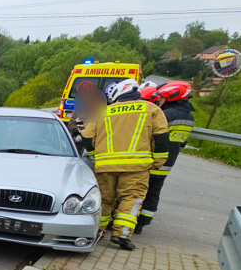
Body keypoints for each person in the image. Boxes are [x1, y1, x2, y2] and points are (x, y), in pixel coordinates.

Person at [81, 79, 170, 250]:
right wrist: (158, 161)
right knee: (131, 198)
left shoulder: (104, 111)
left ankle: (97, 230)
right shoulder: (151, 109)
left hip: (105, 166)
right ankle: (121, 235)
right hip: (136, 166)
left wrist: (94, 155)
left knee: (105, 199)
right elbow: (161, 138)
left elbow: (86, 137)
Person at [136, 80, 195, 233]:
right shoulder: (189, 118)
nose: (159, 101)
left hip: (152, 160)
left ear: (172, 97)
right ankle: (141, 223)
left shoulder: (166, 114)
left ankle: (129, 221)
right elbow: (182, 142)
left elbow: (150, 135)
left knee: (138, 191)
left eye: (162, 98)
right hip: (168, 163)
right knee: (154, 192)